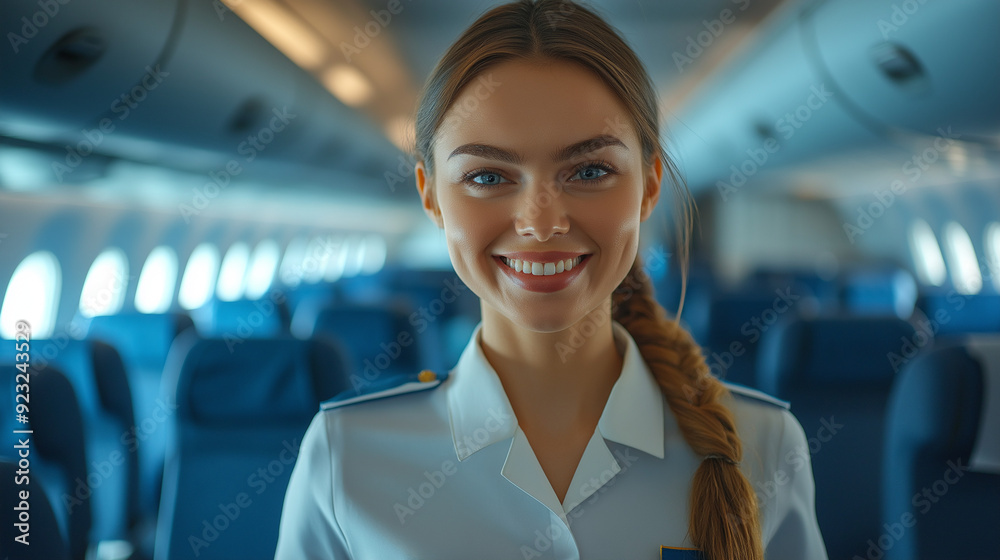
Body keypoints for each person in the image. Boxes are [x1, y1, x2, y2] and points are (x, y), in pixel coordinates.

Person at [274, 1, 827, 558]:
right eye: (487, 177)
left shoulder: (765, 447)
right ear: (431, 196)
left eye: (589, 171)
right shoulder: (345, 458)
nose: (540, 224)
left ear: (650, 186)